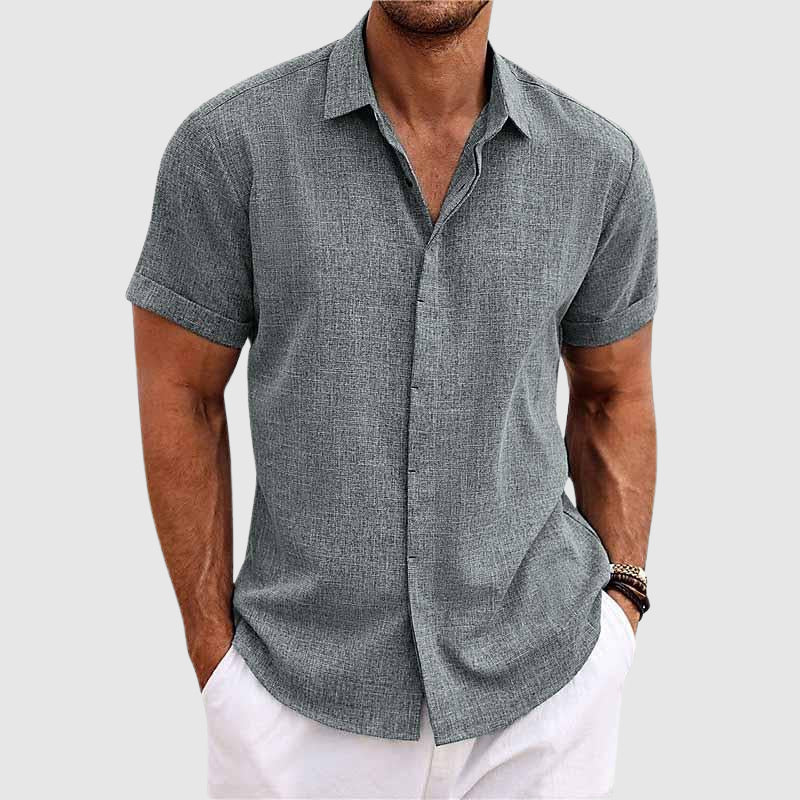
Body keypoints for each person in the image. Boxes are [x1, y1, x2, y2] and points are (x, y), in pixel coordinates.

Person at [126, 2, 658, 797]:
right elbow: (183, 393)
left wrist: (623, 606)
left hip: (546, 699)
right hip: (295, 706)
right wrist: (215, 662)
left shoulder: (599, 165)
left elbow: (614, 394)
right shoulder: (231, 147)